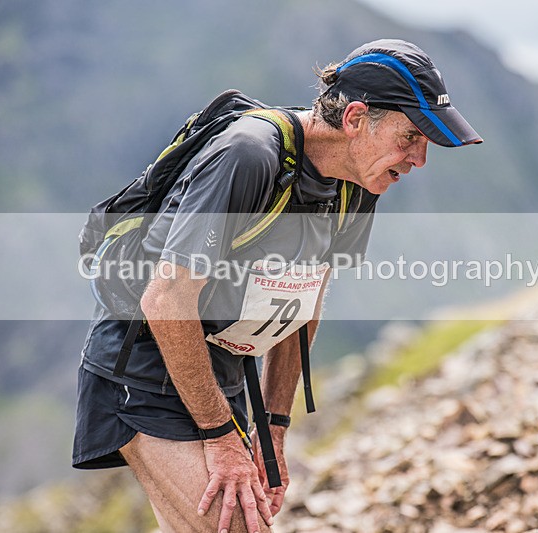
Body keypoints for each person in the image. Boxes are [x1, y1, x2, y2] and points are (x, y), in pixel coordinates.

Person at [72, 39, 482, 533]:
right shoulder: (248, 156)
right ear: (355, 119)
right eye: (410, 136)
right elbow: (165, 299)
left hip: (220, 369)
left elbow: (302, 302)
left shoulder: (358, 183)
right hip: (142, 364)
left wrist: (274, 428)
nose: (419, 159)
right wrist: (222, 437)